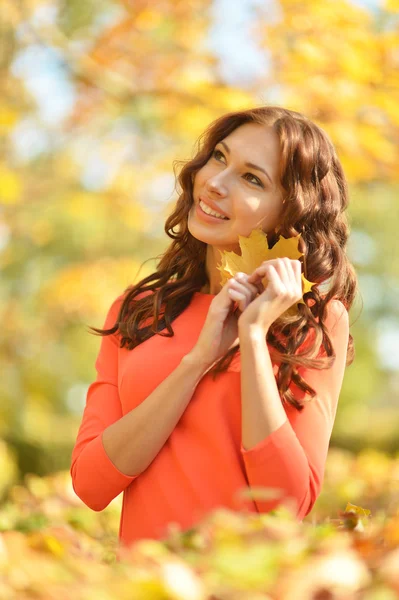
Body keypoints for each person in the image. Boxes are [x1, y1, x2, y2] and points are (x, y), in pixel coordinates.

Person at [70, 106, 357, 550]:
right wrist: (198, 361)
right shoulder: (137, 311)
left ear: (290, 212)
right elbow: (91, 484)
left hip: (247, 585)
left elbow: (287, 506)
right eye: (219, 157)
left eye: (252, 178)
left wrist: (254, 337)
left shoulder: (313, 322)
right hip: (140, 586)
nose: (215, 182)